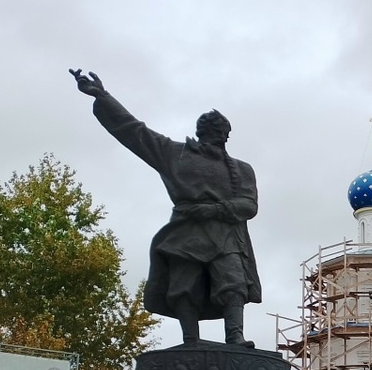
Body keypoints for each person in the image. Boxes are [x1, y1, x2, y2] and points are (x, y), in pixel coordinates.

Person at [71, 69, 261, 347]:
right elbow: (134, 132)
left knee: (233, 284)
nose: (218, 136)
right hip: (185, 233)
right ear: (211, 133)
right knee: (185, 288)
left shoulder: (241, 169)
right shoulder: (175, 153)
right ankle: (190, 341)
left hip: (225, 235)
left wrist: (215, 210)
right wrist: (103, 97)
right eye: (216, 132)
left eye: (220, 132)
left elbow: (249, 205)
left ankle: (235, 337)